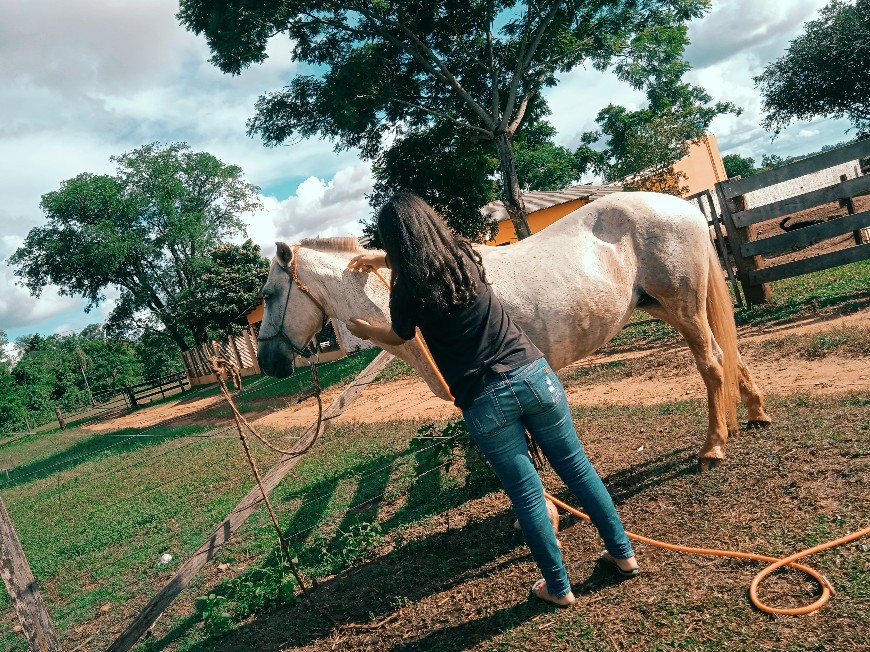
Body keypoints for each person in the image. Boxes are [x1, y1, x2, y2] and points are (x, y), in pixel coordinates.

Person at [346, 193, 638, 607]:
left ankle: (558, 587)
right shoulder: (465, 257)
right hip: (535, 375)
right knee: (578, 470)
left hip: (485, 399)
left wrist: (366, 329)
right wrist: (385, 259)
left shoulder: (406, 290)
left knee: (527, 495)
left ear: (392, 242)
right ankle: (623, 554)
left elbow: (399, 334)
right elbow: (426, 254)